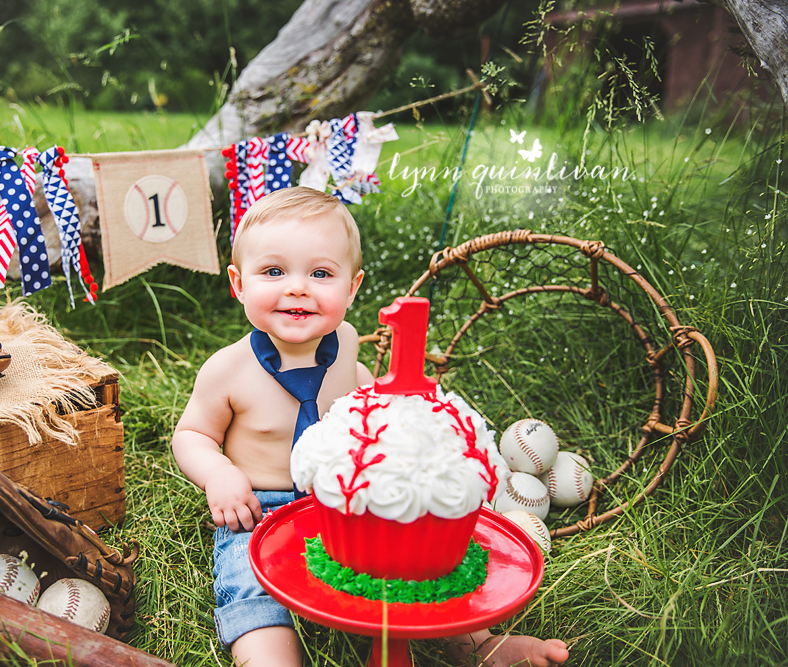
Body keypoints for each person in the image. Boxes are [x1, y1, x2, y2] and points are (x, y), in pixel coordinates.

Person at [172, 187, 569, 667]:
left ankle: (480, 643)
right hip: (259, 508)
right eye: (274, 271)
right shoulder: (227, 369)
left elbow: (364, 401)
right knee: (251, 584)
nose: (297, 287)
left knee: (414, 559)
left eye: (320, 273)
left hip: (341, 498)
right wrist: (219, 474)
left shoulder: (347, 345)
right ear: (238, 283)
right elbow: (192, 435)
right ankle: (271, 658)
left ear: (352, 287)